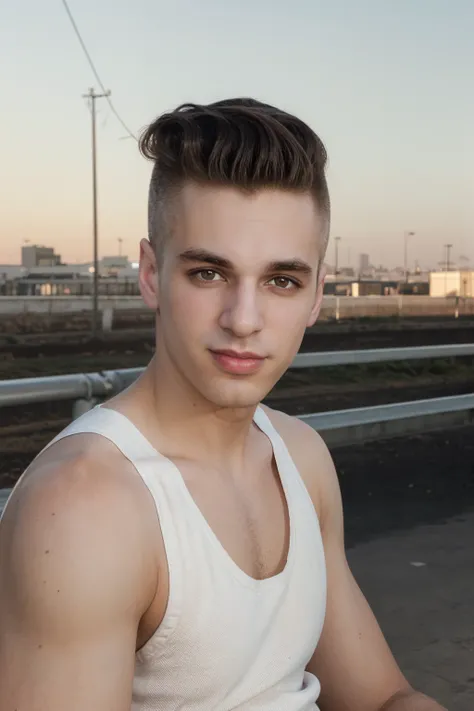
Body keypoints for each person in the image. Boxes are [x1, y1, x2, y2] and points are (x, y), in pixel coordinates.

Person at [0, 99, 446, 711]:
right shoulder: (85, 506)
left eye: (281, 281)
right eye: (209, 273)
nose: (243, 320)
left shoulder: (301, 457)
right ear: (152, 274)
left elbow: (385, 697)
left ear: (317, 294)